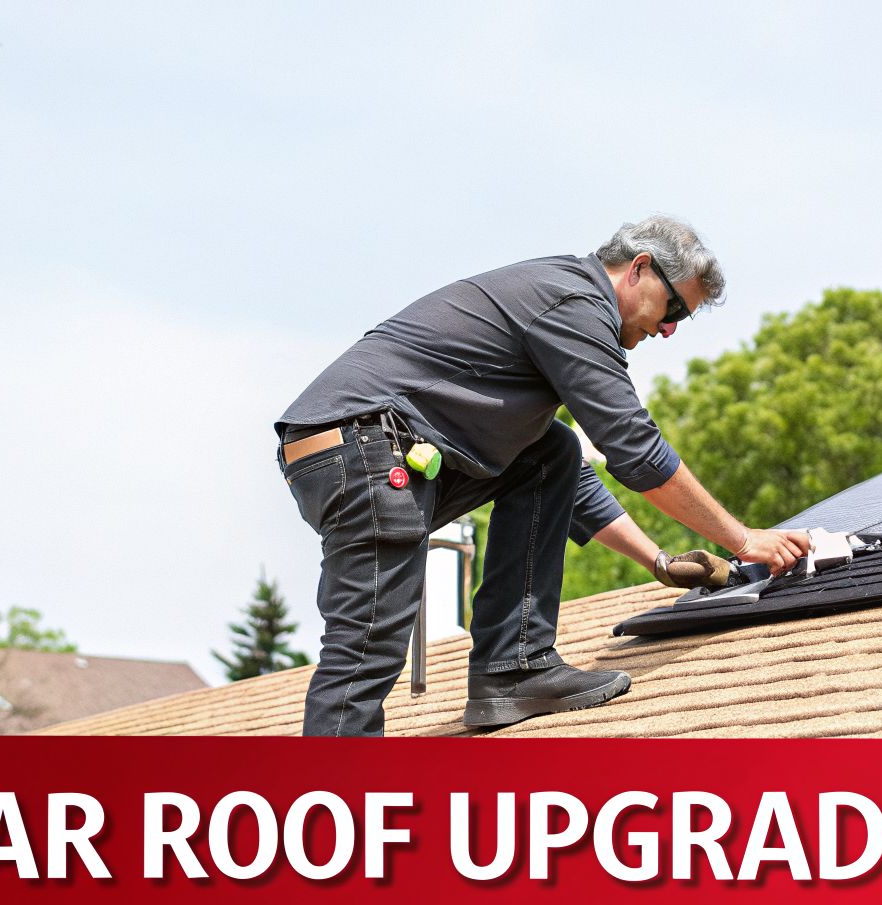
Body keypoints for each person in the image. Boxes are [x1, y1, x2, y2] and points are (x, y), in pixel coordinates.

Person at [276, 216, 811, 736]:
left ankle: (514, 668)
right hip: (361, 447)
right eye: (674, 308)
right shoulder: (575, 303)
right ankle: (337, 804)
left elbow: (571, 479)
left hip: (373, 448)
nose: (668, 329)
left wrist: (658, 560)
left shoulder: (558, 299)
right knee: (368, 642)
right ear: (639, 268)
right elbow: (634, 446)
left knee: (550, 449)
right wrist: (744, 541)